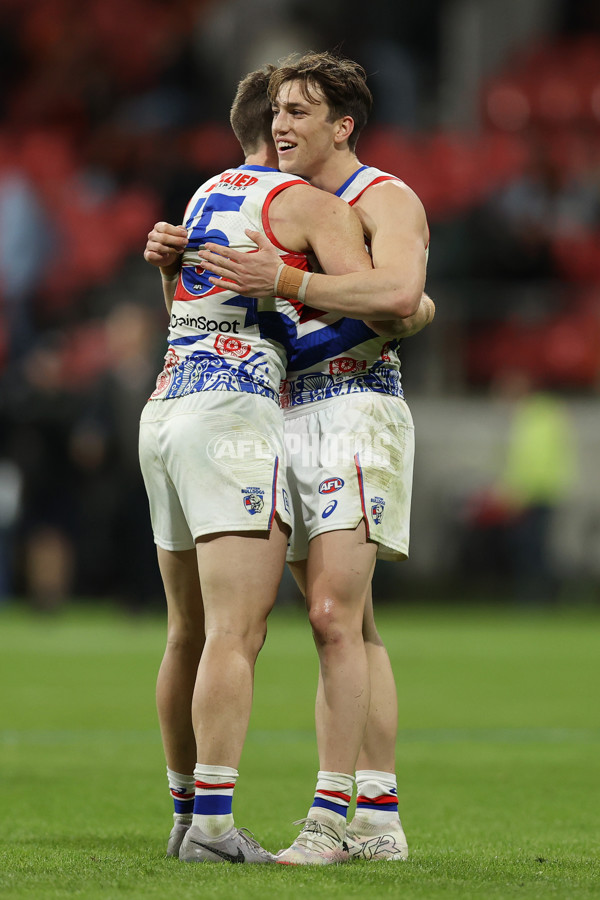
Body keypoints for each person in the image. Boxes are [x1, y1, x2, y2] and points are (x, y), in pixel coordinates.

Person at [140, 63, 386, 864]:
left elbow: (189, 309)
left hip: (168, 404)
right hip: (232, 418)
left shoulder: (202, 197)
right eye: (289, 114)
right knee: (237, 633)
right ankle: (213, 828)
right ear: (278, 126)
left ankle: (183, 818)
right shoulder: (305, 201)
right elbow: (376, 306)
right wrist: (413, 306)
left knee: (186, 632)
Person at [197, 51, 431, 865]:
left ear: (343, 126)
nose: (281, 124)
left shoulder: (385, 197)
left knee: (332, 616)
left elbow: (401, 297)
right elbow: (407, 305)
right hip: (284, 413)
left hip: (354, 407)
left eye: (300, 112)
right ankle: (379, 816)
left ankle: (328, 822)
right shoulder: (282, 202)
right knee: (352, 625)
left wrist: (288, 282)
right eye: (277, 111)